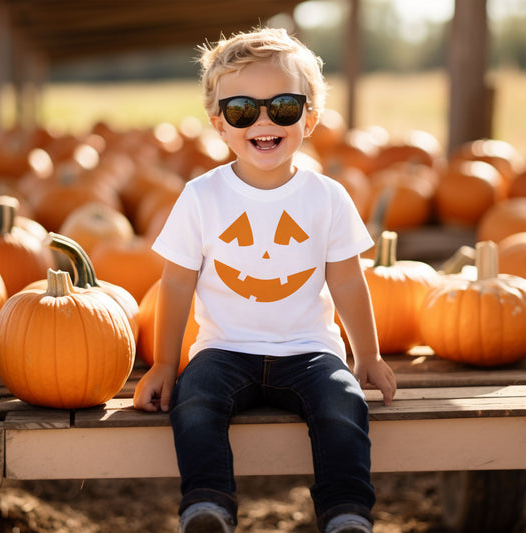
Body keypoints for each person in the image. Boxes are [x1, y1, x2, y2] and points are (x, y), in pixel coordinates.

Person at [133, 27, 397, 533]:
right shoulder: (202, 197)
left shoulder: (327, 197)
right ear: (220, 124)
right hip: (223, 350)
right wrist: (166, 362)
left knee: (343, 406)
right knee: (194, 403)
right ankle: (207, 505)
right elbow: (176, 284)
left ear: (309, 117)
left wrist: (367, 355)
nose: (262, 121)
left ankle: (346, 513)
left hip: (310, 350)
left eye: (282, 106)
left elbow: (347, 281)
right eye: (241, 110)